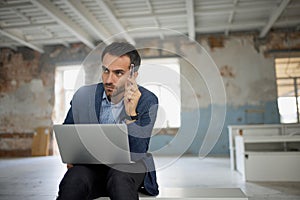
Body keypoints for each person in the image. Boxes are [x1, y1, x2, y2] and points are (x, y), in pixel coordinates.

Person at [56, 42, 159, 200]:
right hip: (91, 167)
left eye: (118, 73)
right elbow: (68, 135)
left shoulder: (147, 100)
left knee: (119, 178)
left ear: (133, 75)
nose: (109, 80)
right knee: (74, 179)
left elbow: (138, 151)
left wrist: (132, 113)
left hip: (128, 167)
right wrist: (72, 158)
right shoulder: (83, 95)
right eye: (105, 71)